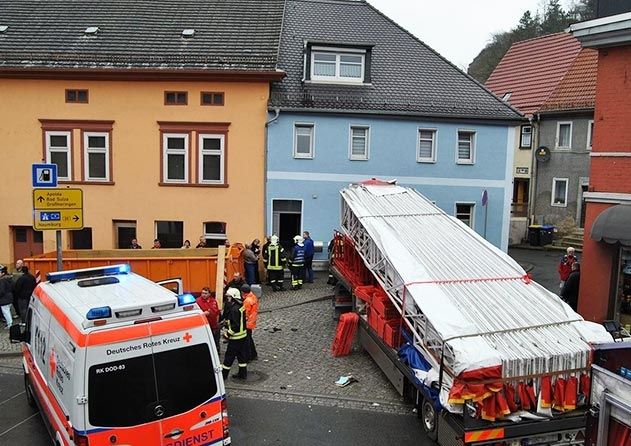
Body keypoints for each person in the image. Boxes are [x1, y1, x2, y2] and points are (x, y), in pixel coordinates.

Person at [221, 288, 248, 381]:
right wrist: (227, 322)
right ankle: (243, 374)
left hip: (236, 337)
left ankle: (223, 375)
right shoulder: (240, 306)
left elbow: (236, 325)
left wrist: (227, 334)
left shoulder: (234, 309)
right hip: (243, 335)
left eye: (228, 296)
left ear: (233, 297)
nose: (227, 298)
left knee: (229, 356)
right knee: (241, 355)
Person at [196, 287, 221, 353]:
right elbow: (195, 314)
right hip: (204, 325)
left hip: (213, 325)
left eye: (205, 293)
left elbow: (217, 312)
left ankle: (216, 350)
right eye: (202, 293)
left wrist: (217, 323)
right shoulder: (197, 301)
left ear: (209, 294)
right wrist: (204, 313)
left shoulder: (213, 301)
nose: (203, 295)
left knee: (216, 339)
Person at [241, 284, 259, 361]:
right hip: (252, 321)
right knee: (249, 339)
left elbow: (246, 313)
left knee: (246, 340)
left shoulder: (247, 301)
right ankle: (253, 354)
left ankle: (248, 357)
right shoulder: (253, 297)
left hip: (247, 322)